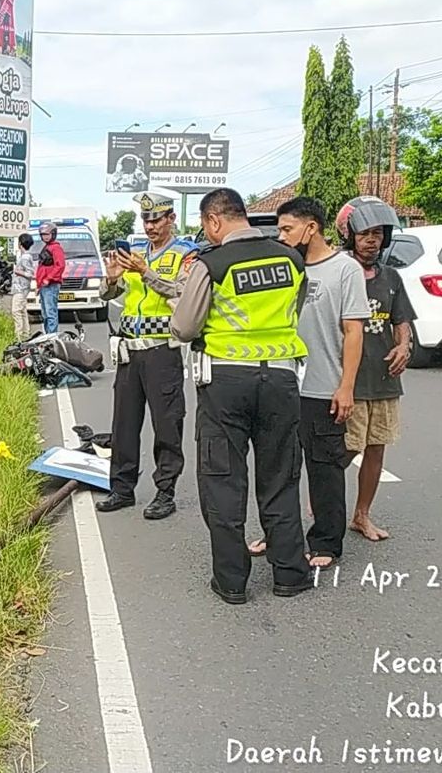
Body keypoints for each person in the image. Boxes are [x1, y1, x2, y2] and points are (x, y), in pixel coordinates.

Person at [170, 188, 312, 605]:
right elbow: (294, 312)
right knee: (281, 478)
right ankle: (289, 573)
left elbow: (184, 328)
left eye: (204, 226)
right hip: (282, 381)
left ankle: (232, 582)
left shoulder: (211, 264)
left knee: (223, 482)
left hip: (225, 385)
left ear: (214, 221)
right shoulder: (291, 259)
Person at [247, 197, 370, 570]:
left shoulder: (344, 270)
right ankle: (279, 535)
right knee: (278, 468)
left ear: (311, 227)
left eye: (287, 229)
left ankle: (326, 542)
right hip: (281, 384)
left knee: (325, 469)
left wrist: (346, 386)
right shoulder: (285, 267)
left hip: (323, 387)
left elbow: (353, 331)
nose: (281, 236)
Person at [97, 192, 198, 518]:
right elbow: (110, 293)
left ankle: (165, 492)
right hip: (129, 350)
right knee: (124, 424)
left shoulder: (186, 253)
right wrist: (111, 280)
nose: (151, 226)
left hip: (161, 351)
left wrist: (147, 273)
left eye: (157, 219)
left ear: (171, 219)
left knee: (167, 425)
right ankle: (121, 489)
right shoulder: (134, 251)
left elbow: (183, 293)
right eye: (146, 220)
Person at [341, 196, 414, 543]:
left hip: (384, 379)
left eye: (378, 234)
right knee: (344, 448)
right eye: (364, 234)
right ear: (349, 236)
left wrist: (403, 346)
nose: (371, 240)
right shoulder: (339, 273)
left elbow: (401, 320)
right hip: (348, 380)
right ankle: (322, 501)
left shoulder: (392, 278)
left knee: (376, 447)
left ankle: (362, 515)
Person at [35, 221, 65, 334]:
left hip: (51, 285)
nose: (45, 237)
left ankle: (52, 336)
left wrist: (49, 278)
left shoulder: (56, 248)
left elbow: (60, 265)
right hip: (44, 285)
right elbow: (41, 269)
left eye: (47, 234)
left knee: (50, 312)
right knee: (45, 314)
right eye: (43, 235)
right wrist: (38, 285)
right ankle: (48, 335)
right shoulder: (46, 248)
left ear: (53, 234)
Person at [11, 233, 36, 341]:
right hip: (21, 287)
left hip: (21, 287)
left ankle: (19, 335)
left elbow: (30, 273)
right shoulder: (25, 256)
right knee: (22, 310)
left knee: (16, 311)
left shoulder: (25, 257)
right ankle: (25, 333)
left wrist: (18, 271)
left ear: (20, 243)